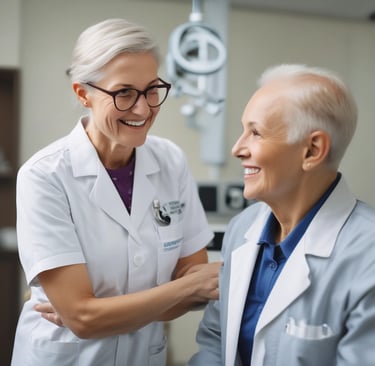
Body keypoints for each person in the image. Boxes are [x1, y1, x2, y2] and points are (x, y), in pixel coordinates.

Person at [11, 18, 221, 366]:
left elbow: (198, 285)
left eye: (152, 89)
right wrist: (89, 316)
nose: (143, 108)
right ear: (83, 94)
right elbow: (84, 319)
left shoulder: (171, 161)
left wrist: (101, 313)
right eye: (124, 92)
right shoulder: (44, 176)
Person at [188, 63, 375, 366]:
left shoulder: (368, 255)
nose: (238, 148)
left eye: (256, 133)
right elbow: (215, 340)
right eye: (242, 130)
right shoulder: (242, 229)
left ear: (312, 150)